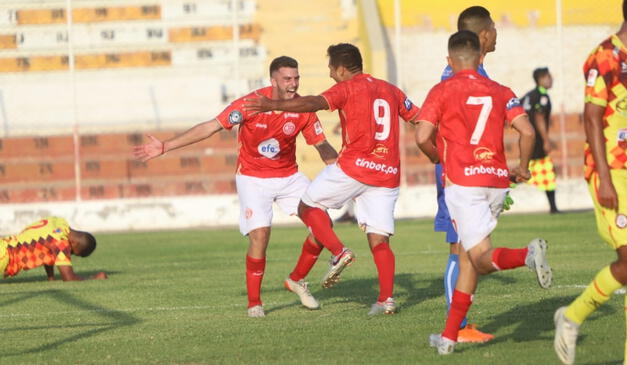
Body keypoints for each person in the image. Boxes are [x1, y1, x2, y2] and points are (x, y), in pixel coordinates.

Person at [133, 56, 339, 318]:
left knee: (323, 226)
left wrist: (338, 169)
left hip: (289, 177)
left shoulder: (303, 108)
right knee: (260, 237)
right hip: (252, 178)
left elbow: (321, 144)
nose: (293, 84)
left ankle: (296, 280)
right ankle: (255, 303)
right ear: (273, 80)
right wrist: (165, 146)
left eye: (296, 78)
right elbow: (210, 127)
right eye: (287, 79)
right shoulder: (250, 104)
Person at [244, 43, 420, 315]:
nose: (330, 75)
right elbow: (418, 118)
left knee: (308, 207)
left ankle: (338, 252)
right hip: (387, 173)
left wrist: (273, 104)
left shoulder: (346, 87)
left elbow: (313, 102)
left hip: (354, 166)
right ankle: (386, 300)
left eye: (330, 69)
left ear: (340, 68)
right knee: (380, 240)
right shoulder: (391, 89)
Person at [415, 30, 552, 355]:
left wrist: (439, 158)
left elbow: (422, 136)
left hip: (464, 184)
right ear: (479, 58)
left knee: (478, 258)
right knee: (467, 260)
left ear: (449, 60)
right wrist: (522, 166)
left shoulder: (442, 89)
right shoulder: (500, 90)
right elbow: (527, 130)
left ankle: (526, 255)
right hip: (495, 181)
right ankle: (449, 337)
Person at [554, 1, 627, 364]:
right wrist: (605, 178)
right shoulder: (606, 57)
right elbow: (592, 118)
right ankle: (572, 315)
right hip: (612, 172)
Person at [431, 5, 498, 344]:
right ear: (484, 34)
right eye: (494, 27)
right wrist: (445, 167)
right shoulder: (453, 79)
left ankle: (461, 324)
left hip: (475, 174)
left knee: (470, 248)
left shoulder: (477, 76)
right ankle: (457, 326)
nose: (497, 33)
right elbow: (428, 132)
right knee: (459, 247)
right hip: (458, 177)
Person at [1, 216, 107, 281]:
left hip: (4, 244)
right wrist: (93, 278)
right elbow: (68, 278)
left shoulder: (59, 222)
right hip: (5, 256)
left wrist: (51, 277)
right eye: (73, 252)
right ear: (74, 243)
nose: (69, 254)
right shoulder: (61, 242)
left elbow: (46, 247)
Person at [521, 67, 560, 214]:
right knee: (544, 173)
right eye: (548, 77)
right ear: (541, 79)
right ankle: (554, 208)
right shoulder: (542, 96)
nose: (551, 79)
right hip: (536, 141)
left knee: (529, 171)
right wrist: (546, 139)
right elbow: (539, 117)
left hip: (526, 140)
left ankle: (553, 207)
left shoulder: (528, 96)